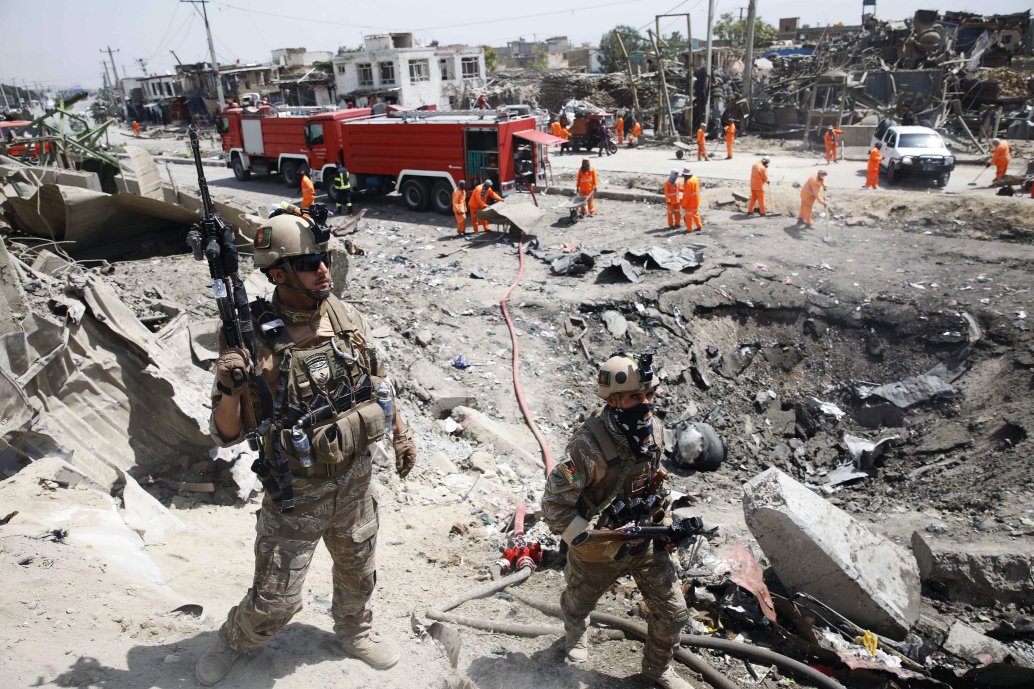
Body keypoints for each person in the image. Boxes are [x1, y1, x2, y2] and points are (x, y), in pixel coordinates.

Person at [196, 209, 418, 687]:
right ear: (277, 272)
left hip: (356, 484)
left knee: (359, 572)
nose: (323, 270)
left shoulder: (344, 315)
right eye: (309, 262)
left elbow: (377, 383)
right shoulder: (252, 338)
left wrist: (401, 432)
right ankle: (233, 639)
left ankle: (354, 630)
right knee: (277, 601)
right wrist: (231, 386)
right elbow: (227, 433)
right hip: (297, 495)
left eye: (324, 259)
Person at [542, 352, 693, 689]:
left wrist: (664, 522)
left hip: (644, 538)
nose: (646, 403)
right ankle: (575, 637)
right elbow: (554, 506)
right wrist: (587, 539)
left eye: (649, 395)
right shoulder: (586, 448)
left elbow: (654, 480)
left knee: (675, 612)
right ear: (613, 400)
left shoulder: (654, 429)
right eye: (635, 397)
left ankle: (657, 670)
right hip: (598, 543)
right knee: (579, 603)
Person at [680, 167, 702, 232]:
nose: (684, 178)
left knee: (688, 216)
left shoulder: (688, 182)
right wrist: (682, 189)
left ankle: (689, 229)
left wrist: (683, 204)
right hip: (696, 200)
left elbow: (687, 195)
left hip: (690, 203)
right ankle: (699, 226)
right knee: (696, 213)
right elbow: (692, 190)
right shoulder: (695, 178)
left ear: (686, 175)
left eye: (684, 176)